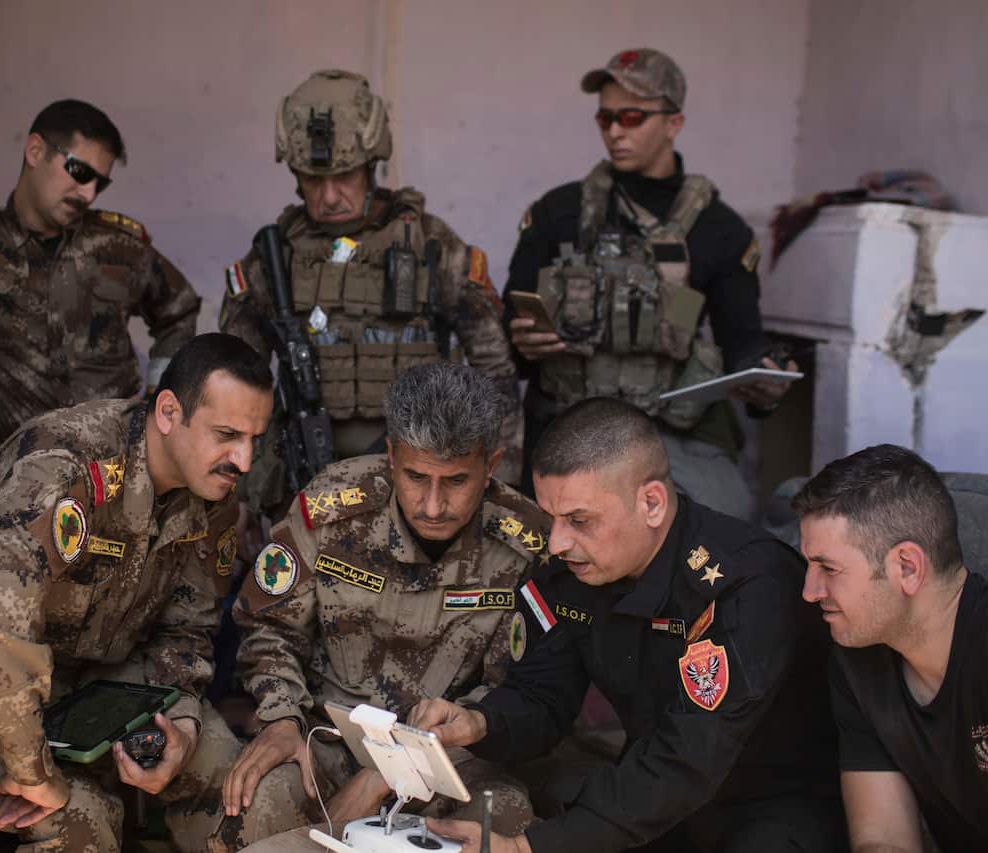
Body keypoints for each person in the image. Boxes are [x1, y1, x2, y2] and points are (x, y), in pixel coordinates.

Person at [0, 334, 272, 852]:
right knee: (79, 822)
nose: (242, 461)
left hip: (101, 679)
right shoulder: (66, 465)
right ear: (170, 411)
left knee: (255, 788)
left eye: (254, 439)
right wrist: (29, 768)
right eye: (226, 434)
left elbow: (187, 630)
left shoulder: (213, 495)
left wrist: (183, 726)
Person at [411, 397, 845, 852]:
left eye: (579, 520)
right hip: (652, 799)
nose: (557, 542)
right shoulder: (573, 572)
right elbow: (543, 695)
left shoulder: (744, 585)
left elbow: (688, 757)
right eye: (551, 517)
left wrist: (527, 848)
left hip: (775, 807)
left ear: (652, 503)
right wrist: (481, 723)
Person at [165, 363, 548, 851]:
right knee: (255, 806)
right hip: (327, 745)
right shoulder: (332, 510)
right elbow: (268, 627)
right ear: (391, 456)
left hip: (453, 766)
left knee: (506, 824)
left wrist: (397, 769)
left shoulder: (524, 543)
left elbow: (515, 691)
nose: (433, 505)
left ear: (491, 466)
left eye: (455, 481)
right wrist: (283, 717)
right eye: (415, 476)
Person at [503, 48, 797, 519]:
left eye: (632, 117)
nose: (615, 131)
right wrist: (524, 342)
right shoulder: (557, 214)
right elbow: (506, 338)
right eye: (605, 118)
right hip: (566, 425)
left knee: (724, 524)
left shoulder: (719, 230)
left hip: (667, 432)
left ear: (674, 123)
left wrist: (763, 378)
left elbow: (742, 344)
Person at [220, 69, 523, 516]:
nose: (329, 196)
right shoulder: (274, 257)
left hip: (420, 479)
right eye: (311, 179)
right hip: (301, 478)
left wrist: (497, 486)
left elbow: (494, 370)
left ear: (372, 164)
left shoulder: (429, 244)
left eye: (345, 176)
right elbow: (229, 378)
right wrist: (238, 498)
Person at [0, 99, 200, 444]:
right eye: (81, 173)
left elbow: (179, 309)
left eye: (101, 183)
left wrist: (158, 397)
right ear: (35, 151)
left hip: (120, 466)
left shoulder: (116, 247)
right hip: (25, 475)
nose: (89, 193)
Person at [795, 444, 987, 851]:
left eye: (828, 568)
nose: (810, 592)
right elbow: (884, 838)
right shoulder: (856, 663)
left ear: (907, 567)